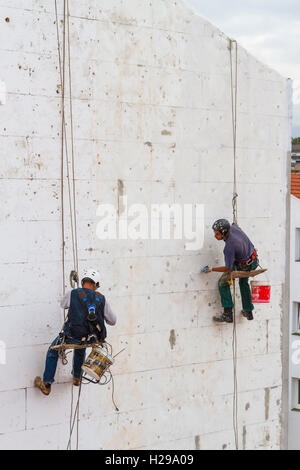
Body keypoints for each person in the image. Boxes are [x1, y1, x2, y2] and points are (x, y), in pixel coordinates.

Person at [34, 268, 117, 395]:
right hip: (92, 339)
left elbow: (63, 305)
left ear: (83, 281)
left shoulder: (72, 293)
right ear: (96, 284)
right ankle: (77, 377)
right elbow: (112, 321)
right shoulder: (101, 298)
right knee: (81, 346)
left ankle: (46, 384)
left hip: (72, 336)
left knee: (53, 350)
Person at [202, 219, 259, 323]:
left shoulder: (229, 247)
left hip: (244, 265)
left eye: (217, 234)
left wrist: (212, 269)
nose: (215, 236)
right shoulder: (234, 228)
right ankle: (248, 311)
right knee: (243, 283)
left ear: (224, 233)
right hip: (253, 260)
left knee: (223, 283)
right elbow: (236, 225)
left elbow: (228, 268)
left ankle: (228, 314)